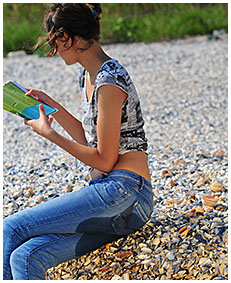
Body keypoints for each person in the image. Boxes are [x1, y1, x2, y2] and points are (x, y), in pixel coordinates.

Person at [3, 3, 153, 280]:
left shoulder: (109, 81)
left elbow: (105, 160)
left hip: (126, 191)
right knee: (26, 256)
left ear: (65, 38)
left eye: (53, 42)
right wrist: (53, 107)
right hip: (119, 202)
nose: (54, 50)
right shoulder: (89, 75)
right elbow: (94, 142)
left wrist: (50, 134)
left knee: (11, 228)